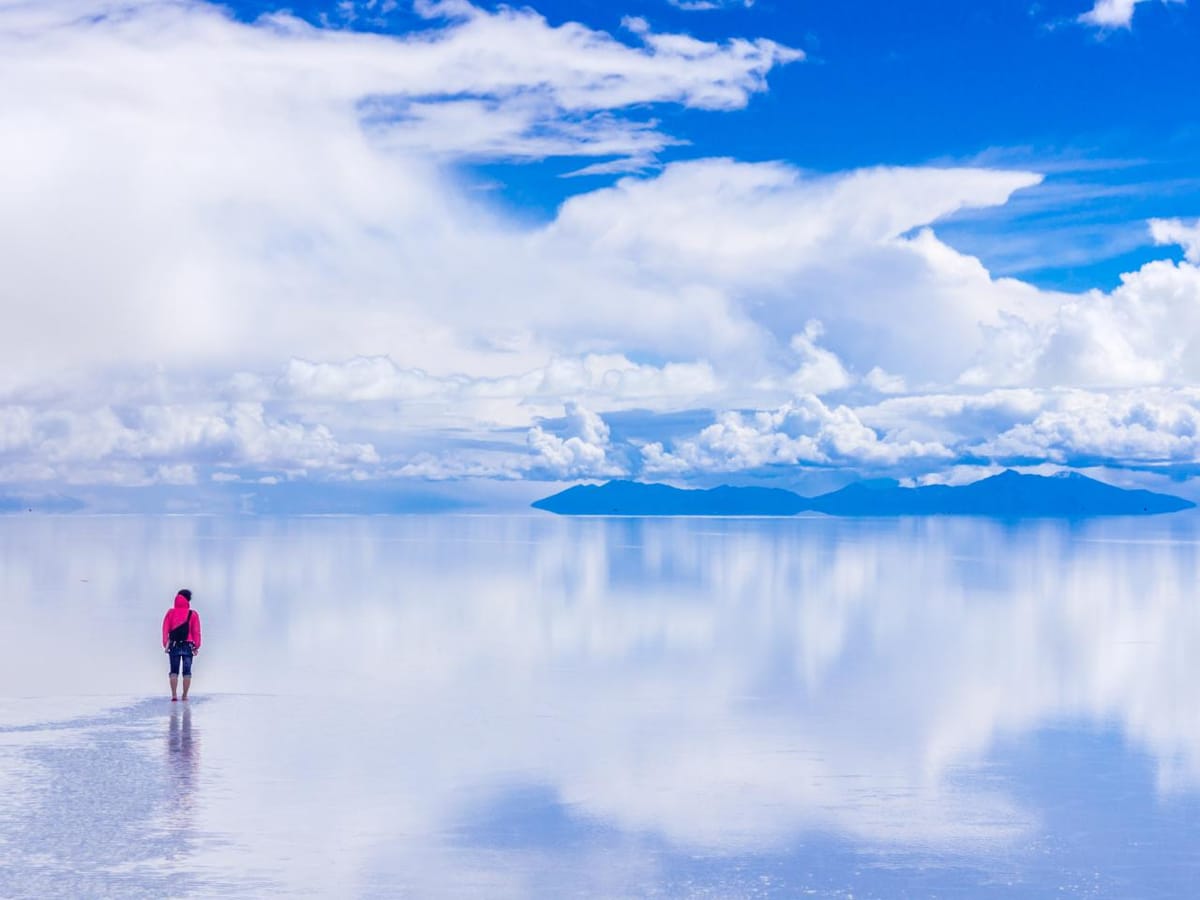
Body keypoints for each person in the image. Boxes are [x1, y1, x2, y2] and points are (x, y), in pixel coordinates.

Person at [162, 589, 202, 701]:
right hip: (188, 645)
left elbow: (165, 629)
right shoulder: (193, 614)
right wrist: (196, 646)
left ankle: (174, 695)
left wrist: (166, 643)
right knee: (187, 672)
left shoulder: (170, 613)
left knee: (173, 671)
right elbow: (196, 631)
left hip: (174, 645)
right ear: (188, 600)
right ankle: (184, 695)